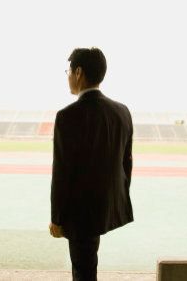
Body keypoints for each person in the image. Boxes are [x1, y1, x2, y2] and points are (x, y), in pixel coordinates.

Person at [49, 47, 134, 281]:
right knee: (87, 265)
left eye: (68, 71)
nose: (67, 76)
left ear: (78, 72)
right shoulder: (122, 112)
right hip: (108, 203)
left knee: (83, 270)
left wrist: (57, 218)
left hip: (80, 211)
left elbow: (62, 172)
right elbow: (126, 163)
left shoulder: (67, 116)